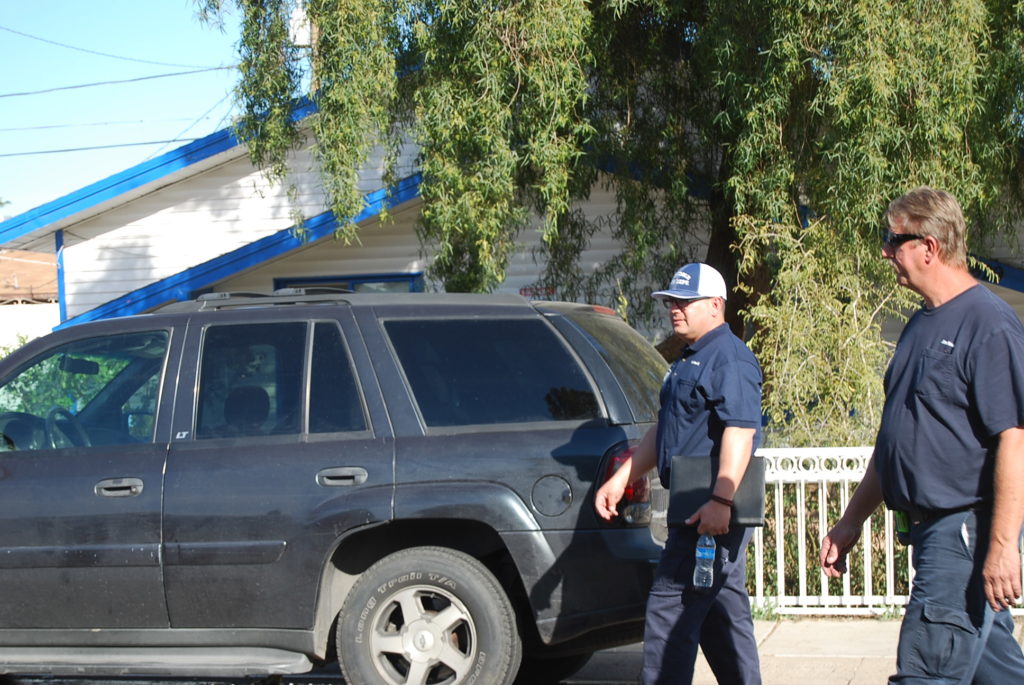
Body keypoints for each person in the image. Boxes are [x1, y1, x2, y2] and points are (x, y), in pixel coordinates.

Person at [820, 186, 1024, 683]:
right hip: (934, 533)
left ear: (929, 247)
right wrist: (850, 522)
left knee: (925, 672)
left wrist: (1002, 545)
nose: (884, 251)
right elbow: (896, 441)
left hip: (961, 532)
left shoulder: (988, 325)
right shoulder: (920, 325)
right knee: (995, 673)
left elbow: (1014, 439)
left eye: (893, 240)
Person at [595, 262, 763, 684]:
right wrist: (624, 476)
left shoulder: (729, 359)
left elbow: (741, 431)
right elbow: (666, 429)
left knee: (668, 615)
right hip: (697, 509)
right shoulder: (689, 359)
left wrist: (721, 499)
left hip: (706, 513)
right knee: (722, 621)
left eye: (686, 302)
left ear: (716, 305)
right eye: (672, 301)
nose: (675, 309)